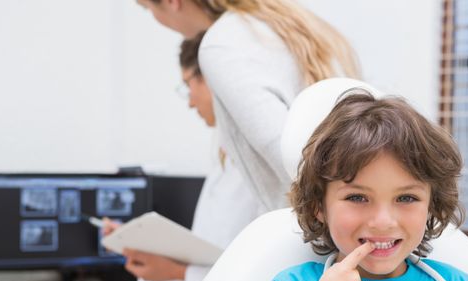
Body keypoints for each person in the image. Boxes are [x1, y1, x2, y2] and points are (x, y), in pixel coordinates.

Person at [255, 88, 468, 281]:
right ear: (318, 205)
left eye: (406, 198)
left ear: (431, 205)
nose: (383, 221)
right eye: (357, 198)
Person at [136, 0, 360, 212]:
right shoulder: (288, 23)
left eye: (147, 8)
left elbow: (290, 158)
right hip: (348, 213)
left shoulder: (220, 45)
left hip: (314, 230)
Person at [105, 32, 260, 281]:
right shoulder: (224, 153)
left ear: (213, 79)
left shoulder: (254, 160)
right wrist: (143, 244)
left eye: (189, 85)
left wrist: (177, 273)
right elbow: (214, 251)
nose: (189, 101)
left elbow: (253, 273)